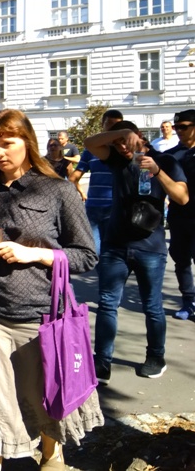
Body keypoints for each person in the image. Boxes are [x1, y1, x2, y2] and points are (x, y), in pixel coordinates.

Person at [0, 109, 102, 471]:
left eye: (7, 143)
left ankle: (51, 456)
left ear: (27, 142)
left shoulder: (58, 190)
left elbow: (86, 256)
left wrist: (34, 254)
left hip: (41, 315)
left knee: (41, 396)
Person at [84, 120, 188, 383]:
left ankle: (156, 357)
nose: (121, 147)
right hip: (115, 245)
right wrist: (121, 133)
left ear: (140, 136)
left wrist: (157, 171)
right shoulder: (118, 160)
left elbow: (182, 197)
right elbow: (89, 143)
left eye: (125, 141)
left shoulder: (166, 160)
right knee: (107, 304)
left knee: (152, 306)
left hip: (150, 247)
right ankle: (102, 361)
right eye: (116, 143)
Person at [69, 109, 124, 254]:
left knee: (112, 252)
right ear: (102, 124)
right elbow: (74, 178)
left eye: (117, 125)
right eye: (109, 123)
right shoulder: (90, 151)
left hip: (115, 207)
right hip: (93, 207)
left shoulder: (123, 151)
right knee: (94, 251)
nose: (112, 128)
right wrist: (78, 195)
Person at [162, 110, 195, 319]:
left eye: (184, 127)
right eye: (176, 127)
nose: (179, 131)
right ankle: (188, 301)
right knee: (181, 260)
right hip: (179, 216)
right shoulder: (172, 155)